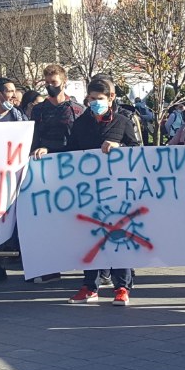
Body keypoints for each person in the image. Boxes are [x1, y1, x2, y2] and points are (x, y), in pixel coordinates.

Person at [31, 78, 143, 305]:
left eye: (99, 99)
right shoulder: (82, 123)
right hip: (89, 192)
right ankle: (90, 286)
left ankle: (122, 287)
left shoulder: (123, 121)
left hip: (118, 192)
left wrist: (119, 147)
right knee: (89, 238)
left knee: (118, 237)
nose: (94, 103)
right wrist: (48, 150)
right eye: (91, 99)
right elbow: (70, 150)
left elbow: (137, 151)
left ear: (111, 98)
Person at [30, 64, 84, 157]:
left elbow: (83, 138)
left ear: (64, 82)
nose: (50, 85)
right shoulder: (38, 110)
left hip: (73, 159)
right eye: (47, 82)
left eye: (54, 82)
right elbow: (34, 138)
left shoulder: (79, 109)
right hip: (46, 159)